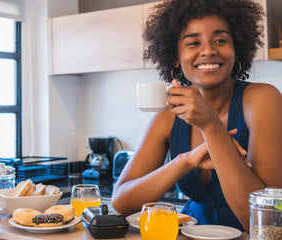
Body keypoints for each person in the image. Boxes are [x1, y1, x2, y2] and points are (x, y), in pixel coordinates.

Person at [112, 0, 282, 232]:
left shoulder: (262, 99)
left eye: (221, 40)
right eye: (193, 42)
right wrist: (185, 160)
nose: (209, 50)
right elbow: (121, 203)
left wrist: (211, 126)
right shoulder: (168, 116)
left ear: (236, 48)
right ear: (175, 56)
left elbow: (268, 224)